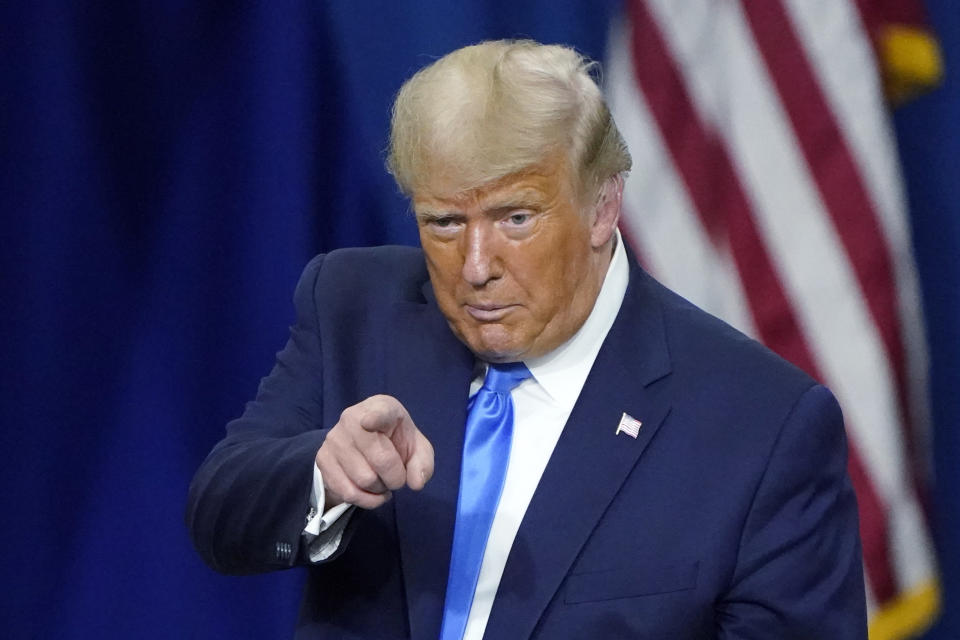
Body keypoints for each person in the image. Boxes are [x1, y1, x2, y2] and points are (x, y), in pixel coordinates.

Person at [186, 40, 867, 639]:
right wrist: (322, 477)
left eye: (515, 218)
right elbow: (220, 516)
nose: (476, 266)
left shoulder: (762, 428)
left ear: (603, 206)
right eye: (445, 224)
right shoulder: (356, 307)